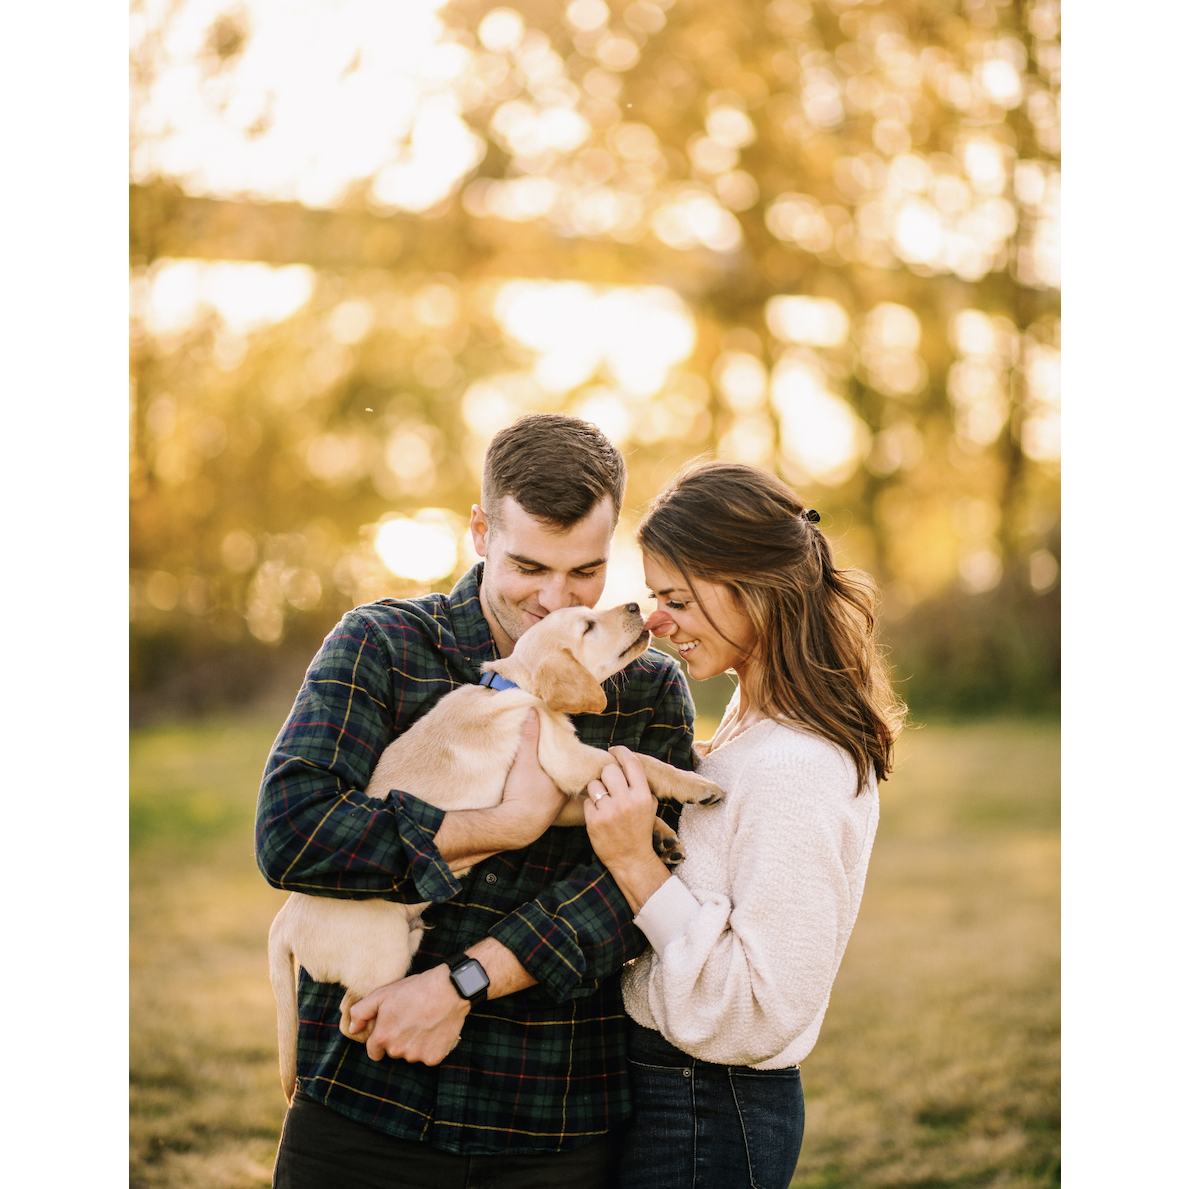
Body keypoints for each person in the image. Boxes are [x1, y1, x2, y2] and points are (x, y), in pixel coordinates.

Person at [255, 413, 696, 1189]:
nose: (552, 596)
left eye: (584, 572)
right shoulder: (382, 644)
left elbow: (634, 884)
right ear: (480, 530)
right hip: (362, 1097)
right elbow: (294, 834)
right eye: (529, 565)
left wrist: (460, 980)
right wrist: (499, 825)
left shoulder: (646, 684)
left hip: (552, 1115)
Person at [581, 459, 906, 1189]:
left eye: (678, 599)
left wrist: (635, 862)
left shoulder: (796, 765)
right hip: (673, 1090)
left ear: (754, 589)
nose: (656, 620)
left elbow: (761, 1009)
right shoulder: (745, 728)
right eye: (654, 596)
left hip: (707, 1107)